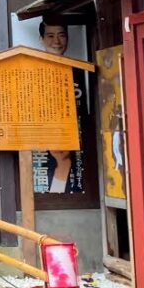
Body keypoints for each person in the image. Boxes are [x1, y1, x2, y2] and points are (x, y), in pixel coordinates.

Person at [36, 17, 82, 194]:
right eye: (50, 36)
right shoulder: (35, 72)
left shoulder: (77, 70)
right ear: (41, 39)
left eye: (61, 35)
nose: (57, 41)